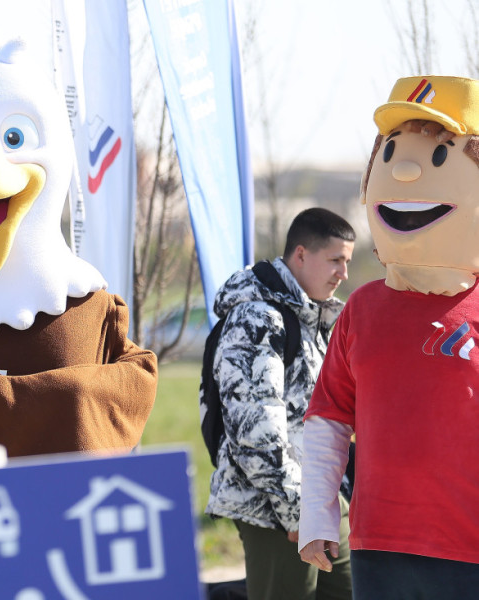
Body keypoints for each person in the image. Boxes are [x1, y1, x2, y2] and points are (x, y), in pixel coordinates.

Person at [300, 76, 479, 598]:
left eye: (440, 157)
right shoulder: (362, 309)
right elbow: (328, 418)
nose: (403, 171)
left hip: (470, 549)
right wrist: (317, 516)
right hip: (379, 547)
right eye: (392, 152)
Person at [205, 207, 355, 600]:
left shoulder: (312, 318)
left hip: (322, 498)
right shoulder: (258, 318)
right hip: (273, 508)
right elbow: (253, 430)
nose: (343, 273)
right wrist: (296, 510)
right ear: (301, 254)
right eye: (335, 260)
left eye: (347, 262)